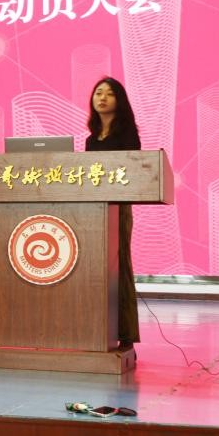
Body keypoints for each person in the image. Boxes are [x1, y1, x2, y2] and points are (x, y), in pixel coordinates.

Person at [84, 77, 141, 347]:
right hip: (92, 210)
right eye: (98, 93)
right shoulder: (90, 140)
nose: (102, 98)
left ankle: (125, 335)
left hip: (117, 208)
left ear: (120, 100)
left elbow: (133, 172)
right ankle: (97, 332)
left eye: (109, 93)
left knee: (119, 267)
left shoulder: (127, 135)